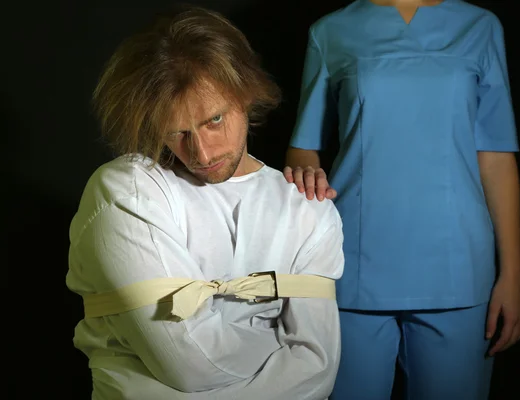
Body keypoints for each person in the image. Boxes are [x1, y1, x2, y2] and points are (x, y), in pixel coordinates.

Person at [66, 6, 344, 399]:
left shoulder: (308, 210)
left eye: (214, 119)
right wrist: (276, 350)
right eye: (177, 131)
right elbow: (187, 363)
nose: (201, 151)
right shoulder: (125, 192)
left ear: (246, 94)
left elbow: (316, 371)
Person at [284, 0, 520, 399]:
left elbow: (497, 156)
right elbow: (302, 149)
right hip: (351, 260)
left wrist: (513, 272)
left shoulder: (480, 27)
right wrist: (305, 175)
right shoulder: (331, 31)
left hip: (458, 264)